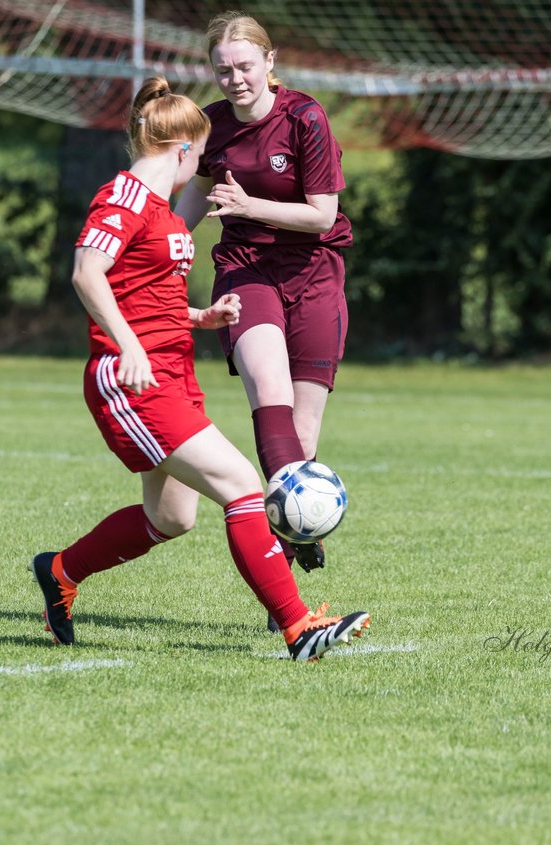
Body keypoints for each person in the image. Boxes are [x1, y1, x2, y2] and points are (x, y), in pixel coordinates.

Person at [29, 76, 368, 662]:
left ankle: (59, 571)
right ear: (185, 149)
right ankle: (298, 626)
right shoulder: (125, 198)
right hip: (134, 379)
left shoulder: (158, 211)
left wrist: (199, 316)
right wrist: (129, 346)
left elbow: (139, 291)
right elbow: (87, 272)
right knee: (241, 487)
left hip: (170, 371)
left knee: (171, 517)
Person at [175, 11, 352, 576]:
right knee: (268, 393)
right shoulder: (209, 126)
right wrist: (168, 249)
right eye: (223, 69)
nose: (236, 79)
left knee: (301, 435)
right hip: (246, 269)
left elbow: (322, 216)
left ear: (270, 62)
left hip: (315, 271)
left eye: (246, 66)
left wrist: (251, 205)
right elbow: (196, 197)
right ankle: (286, 585)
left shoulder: (305, 116)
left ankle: (296, 533)